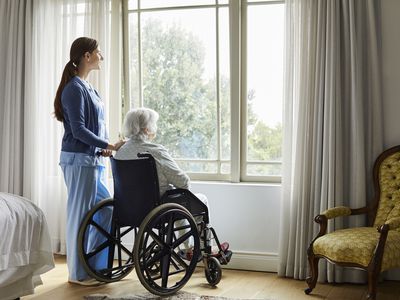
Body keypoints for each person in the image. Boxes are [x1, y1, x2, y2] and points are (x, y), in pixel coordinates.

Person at [54, 37, 124, 286]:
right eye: (98, 53)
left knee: (106, 209)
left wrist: (102, 148)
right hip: (78, 161)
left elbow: (92, 128)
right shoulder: (73, 88)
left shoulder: (88, 87)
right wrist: (108, 145)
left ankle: (93, 265)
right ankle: (78, 274)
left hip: (91, 160)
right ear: (86, 56)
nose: (101, 57)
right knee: (79, 215)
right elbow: (79, 130)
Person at [114, 107, 229, 259]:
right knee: (197, 200)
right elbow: (183, 182)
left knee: (178, 201)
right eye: (153, 124)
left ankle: (189, 247)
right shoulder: (155, 151)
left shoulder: (121, 151)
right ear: (146, 128)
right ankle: (195, 248)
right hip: (157, 209)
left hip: (128, 209)